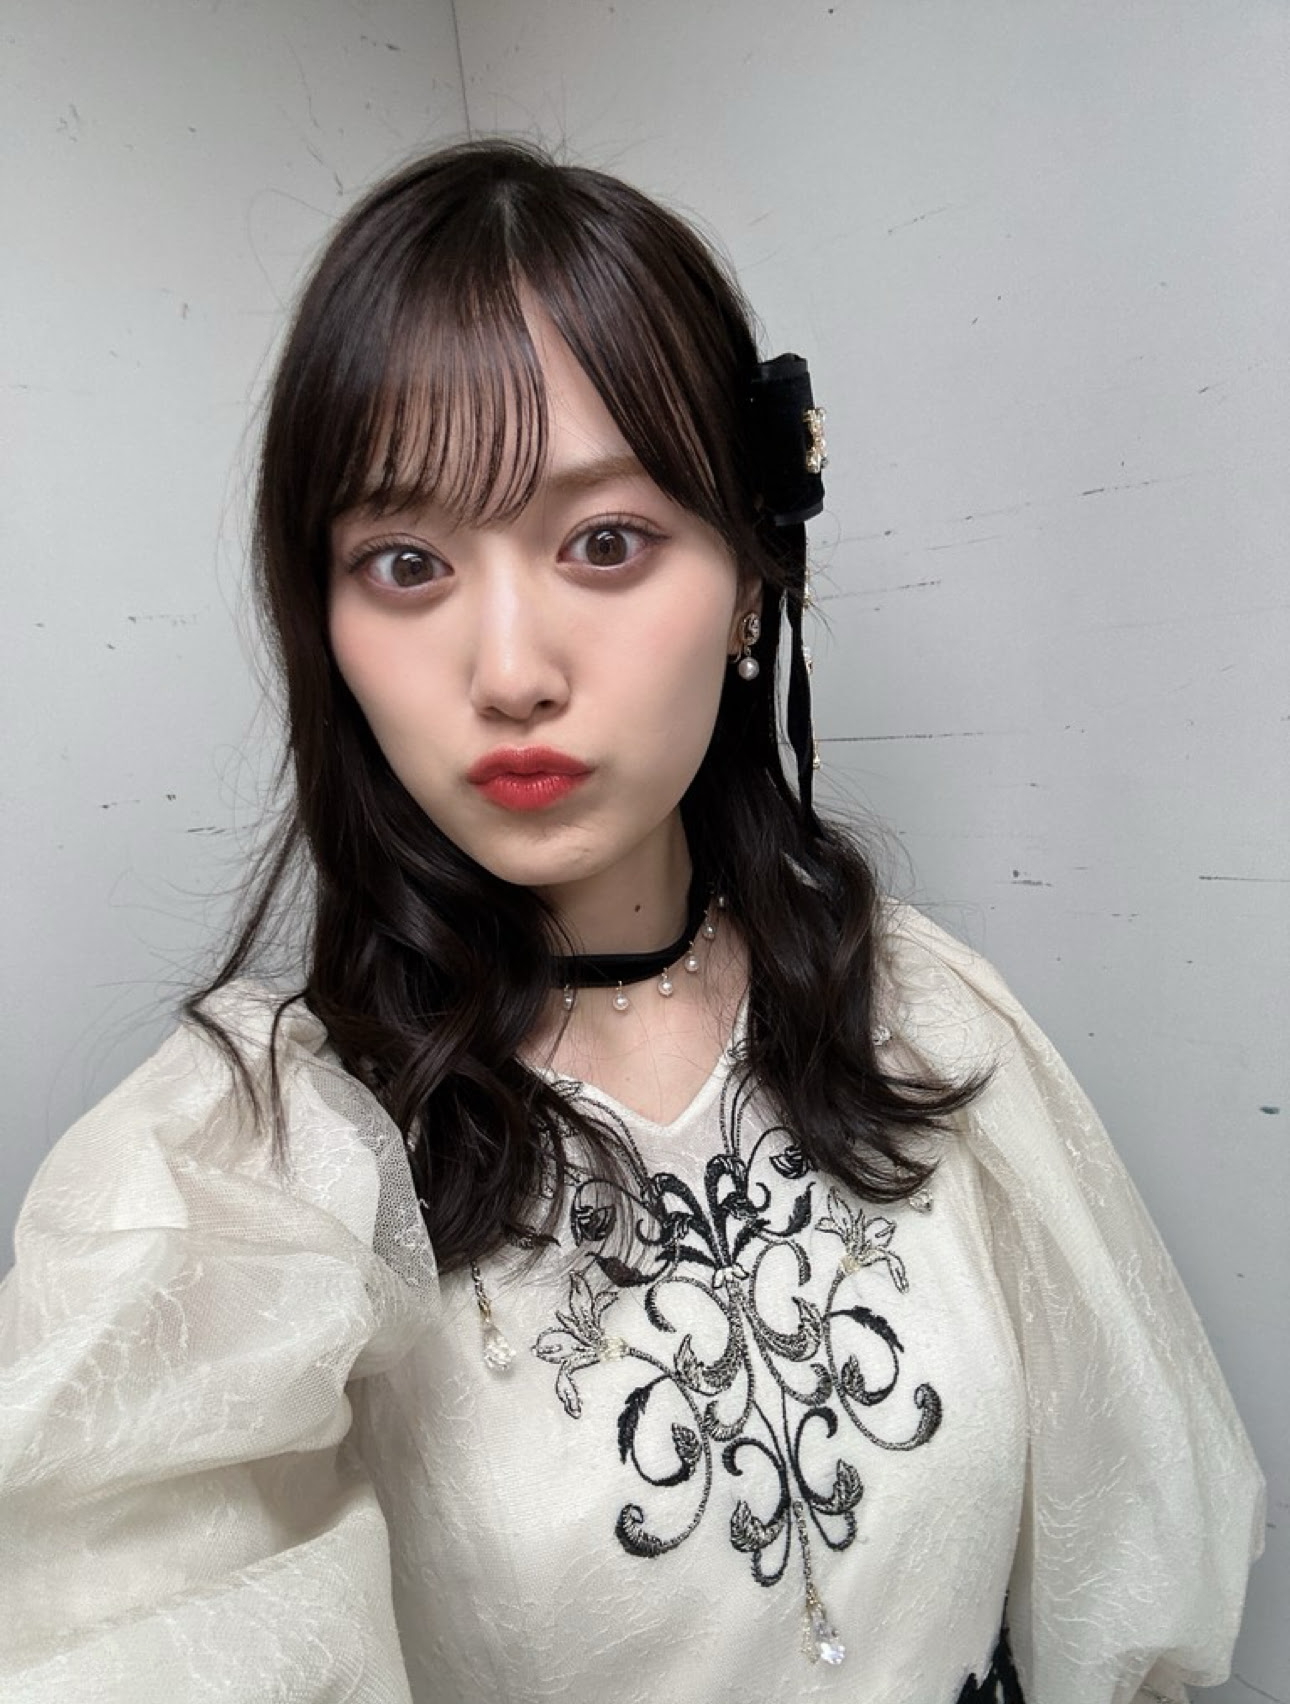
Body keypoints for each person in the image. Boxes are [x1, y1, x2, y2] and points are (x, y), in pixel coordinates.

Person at [0, 140, 1263, 1704]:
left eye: (604, 541)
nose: (509, 670)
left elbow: (1123, 1555)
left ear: (750, 583)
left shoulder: (912, 1018)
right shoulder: (255, 1169)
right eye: (404, 563)